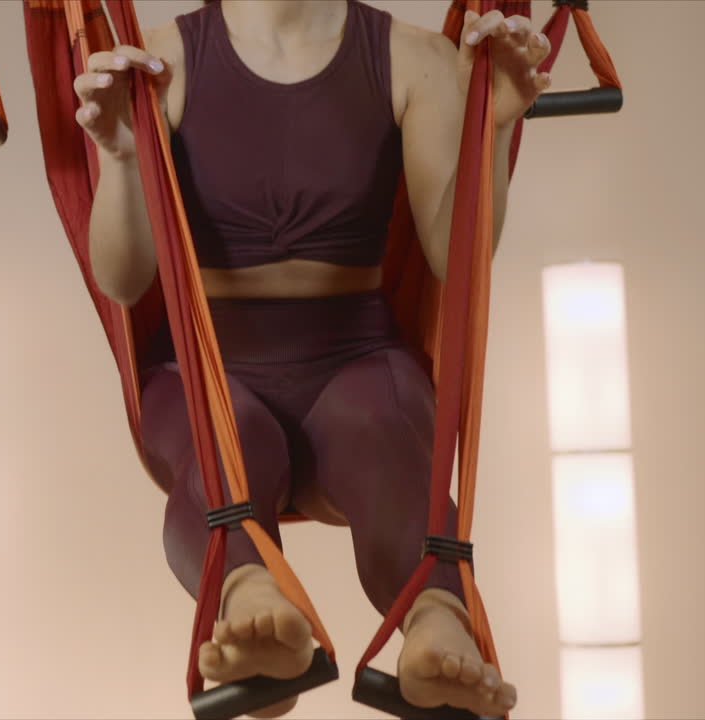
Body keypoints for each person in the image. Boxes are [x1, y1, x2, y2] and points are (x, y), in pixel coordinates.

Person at [74, 1, 550, 716]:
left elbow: (457, 254)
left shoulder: (413, 59)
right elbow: (122, 279)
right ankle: (253, 599)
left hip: (356, 358)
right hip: (209, 370)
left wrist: (498, 123)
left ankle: (435, 621)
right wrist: (117, 153)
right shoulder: (156, 61)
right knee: (225, 443)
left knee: (388, 439)